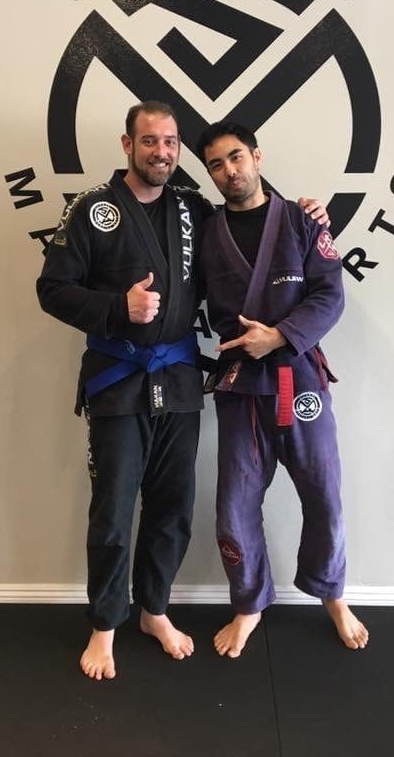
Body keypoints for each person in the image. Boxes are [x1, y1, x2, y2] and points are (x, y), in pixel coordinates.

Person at [37, 101, 329, 681]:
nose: (162, 152)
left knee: (172, 509)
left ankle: (154, 609)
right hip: (117, 381)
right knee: (115, 509)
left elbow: (252, 216)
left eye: (170, 143)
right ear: (127, 145)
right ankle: (104, 624)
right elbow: (51, 288)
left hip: (180, 383)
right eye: (150, 142)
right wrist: (115, 308)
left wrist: (306, 211)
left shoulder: (194, 209)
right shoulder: (91, 208)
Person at [196, 120, 369, 658]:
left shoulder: (300, 220)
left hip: (300, 378)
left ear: (257, 156)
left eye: (236, 157)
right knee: (234, 506)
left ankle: (332, 594)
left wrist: (279, 336)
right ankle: (249, 603)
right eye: (217, 165)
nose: (230, 170)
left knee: (324, 495)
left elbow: (329, 295)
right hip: (241, 385)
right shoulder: (206, 232)